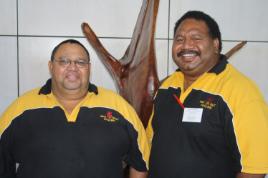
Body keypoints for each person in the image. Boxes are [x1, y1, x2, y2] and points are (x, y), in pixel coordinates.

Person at [0, 39, 149, 178]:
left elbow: (141, 162)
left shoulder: (119, 107)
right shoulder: (21, 109)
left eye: (80, 62)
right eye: (64, 61)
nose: (72, 67)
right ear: (51, 66)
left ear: (89, 68)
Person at [146, 11, 268, 178]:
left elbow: (253, 170)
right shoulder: (167, 87)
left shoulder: (241, 92)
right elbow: (149, 144)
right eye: (179, 39)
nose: (186, 45)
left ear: (216, 44)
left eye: (196, 38)